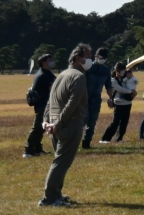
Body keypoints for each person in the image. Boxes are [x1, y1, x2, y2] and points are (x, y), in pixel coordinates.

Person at [40, 44, 91, 207]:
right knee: (61, 162)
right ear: (78, 58)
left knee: (59, 160)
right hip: (70, 124)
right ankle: (49, 198)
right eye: (88, 56)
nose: (90, 60)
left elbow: (50, 101)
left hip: (54, 124)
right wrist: (59, 122)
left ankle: (56, 194)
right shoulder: (79, 76)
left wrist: (46, 121)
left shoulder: (61, 75)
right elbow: (73, 103)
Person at [25, 52, 57, 158]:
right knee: (37, 128)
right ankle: (28, 150)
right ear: (43, 62)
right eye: (49, 60)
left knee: (41, 128)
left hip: (46, 104)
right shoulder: (43, 75)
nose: (52, 62)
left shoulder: (46, 73)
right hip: (43, 105)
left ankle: (37, 149)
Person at [81, 47, 112, 149]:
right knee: (82, 121)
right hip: (84, 99)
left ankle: (86, 142)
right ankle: (73, 141)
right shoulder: (88, 68)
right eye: (101, 57)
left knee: (92, 122)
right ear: (96, 56)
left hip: (96, 100)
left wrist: (111, 98)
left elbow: (108, 86)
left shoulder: (106, 70)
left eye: (105, 58)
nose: (102, 59)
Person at [99, 62, 138, 143]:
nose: (123, 71)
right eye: (121, 70)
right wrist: (131, 91)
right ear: (116, 70)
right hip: (118, 103)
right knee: (115, 122)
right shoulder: (113, 80)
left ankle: (119, 138)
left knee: (124, 122)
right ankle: (105, 139)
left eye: (124, 70)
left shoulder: (125, 79)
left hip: (127, 103)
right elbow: (119, 89)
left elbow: (134, 82)